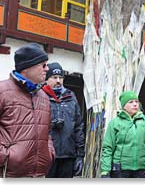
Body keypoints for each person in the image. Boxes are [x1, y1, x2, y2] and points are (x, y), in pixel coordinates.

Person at [0, 43, 55, 177]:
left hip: (38, 175)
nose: (47, 69)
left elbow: (47, 133)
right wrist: (6, 157)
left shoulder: (43, 96)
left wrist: (49, 153)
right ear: (27, 67)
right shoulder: (2, 91)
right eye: (43, 65)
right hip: (9, 175)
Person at [100, 91, 145, 178]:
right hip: (120, 170)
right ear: (124, 105)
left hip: (141, 169)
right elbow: (108, 148)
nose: (135, 104)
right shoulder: (115, 123)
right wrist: (105, 171)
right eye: (131, 102)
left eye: (136, 101)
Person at [42, 62, 85, 178]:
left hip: (68, 156)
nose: (58, 81)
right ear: (46, 79)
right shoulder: (40, 97)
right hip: (47, 156)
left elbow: (78, 127)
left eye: (61, 78)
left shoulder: (71, 97)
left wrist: (80, 155)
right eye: (54, 77)